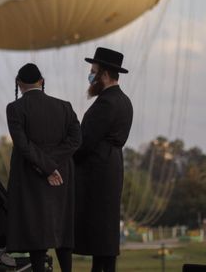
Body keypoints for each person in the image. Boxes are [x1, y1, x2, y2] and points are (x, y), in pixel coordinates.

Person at [5, 63, 82, 272]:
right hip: (62, 176)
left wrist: (46, 166)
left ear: (19, 84)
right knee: (63, 229)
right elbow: (76, 139)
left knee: (36, 233)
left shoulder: (14, 109)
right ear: (42, 81)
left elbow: (23, 145)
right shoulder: (65, 107)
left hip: (31, 175)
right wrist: (54, 164)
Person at [73, 47, 133, 272]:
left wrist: (66, 159)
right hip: (112, 167)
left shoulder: (106, 103)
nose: (90, 77)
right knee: (106, 237)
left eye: (93, 72)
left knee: (100, 235)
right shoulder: (124, 101)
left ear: (105, 75)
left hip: (97, 174)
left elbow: (85, 141)